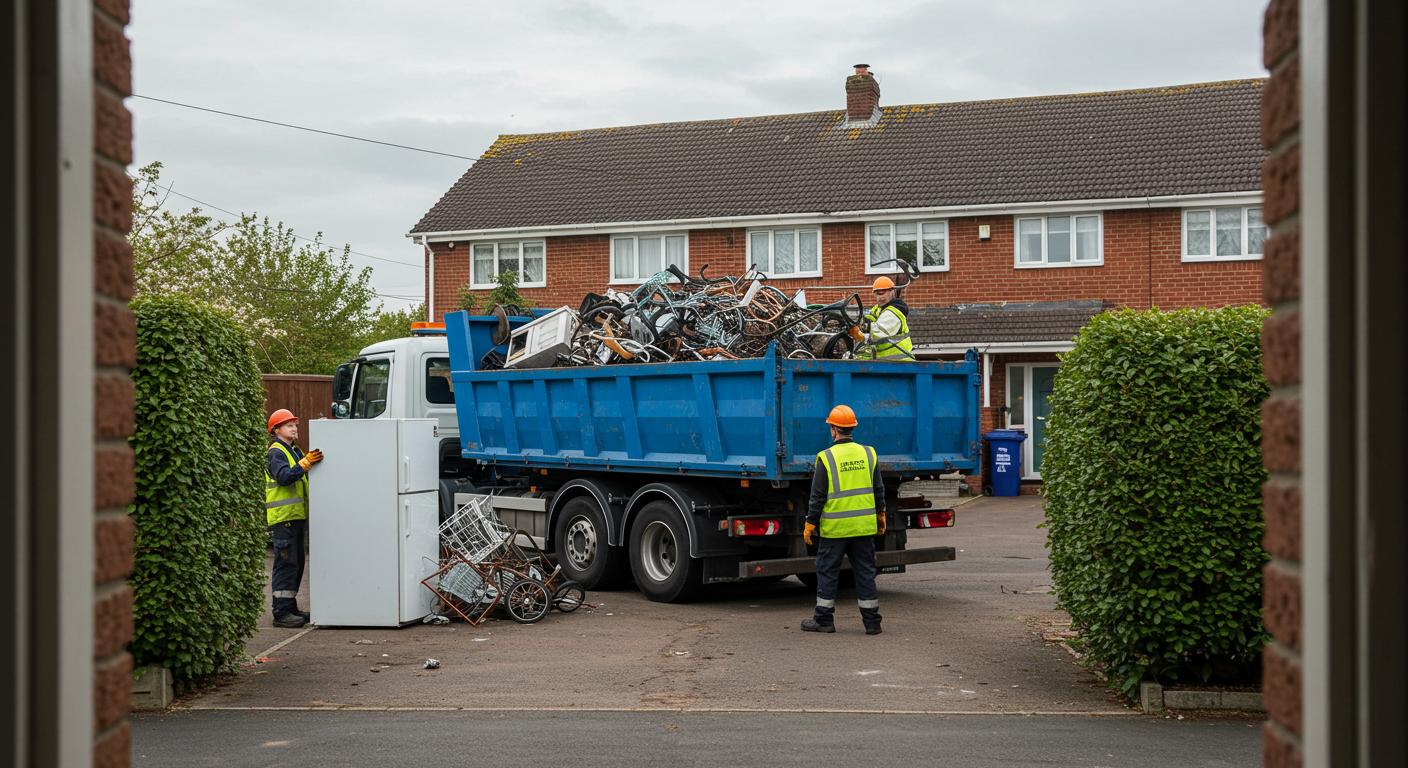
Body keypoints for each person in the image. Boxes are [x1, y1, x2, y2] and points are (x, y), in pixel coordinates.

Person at [801, 404, 885, 635]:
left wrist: (810, 523)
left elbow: (817, 496)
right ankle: (872, 623)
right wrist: (881, 514)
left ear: (833, 430)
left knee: (828, 573)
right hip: (863, 528)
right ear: (852, 428)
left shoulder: (826, 458)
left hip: (835, 530)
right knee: (866, 573)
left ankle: (824, 621)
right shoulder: (869, 453)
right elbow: (878, 488)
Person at [265, 408, 323, 628]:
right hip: (284, 519)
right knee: (286, 564)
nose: (294, 428)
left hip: (295, 517)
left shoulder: (293, 450)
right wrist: (305, 464)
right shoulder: (276, 452)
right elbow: (283, 477)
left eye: (295, 425)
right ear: (276, 429)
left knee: (296, 563)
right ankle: (281, 613)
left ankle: (289, 607)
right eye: (289, 425)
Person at [861, 276, 914, 360]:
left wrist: (861, 329)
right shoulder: (878, 309)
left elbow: (879, 331)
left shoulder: (895, 311)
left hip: (900, 363)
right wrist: (859, 323)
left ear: (892, 292)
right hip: (886, 362)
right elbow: (868, 320)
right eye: (878, 294)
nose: (880, 298)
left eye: (883, 293)